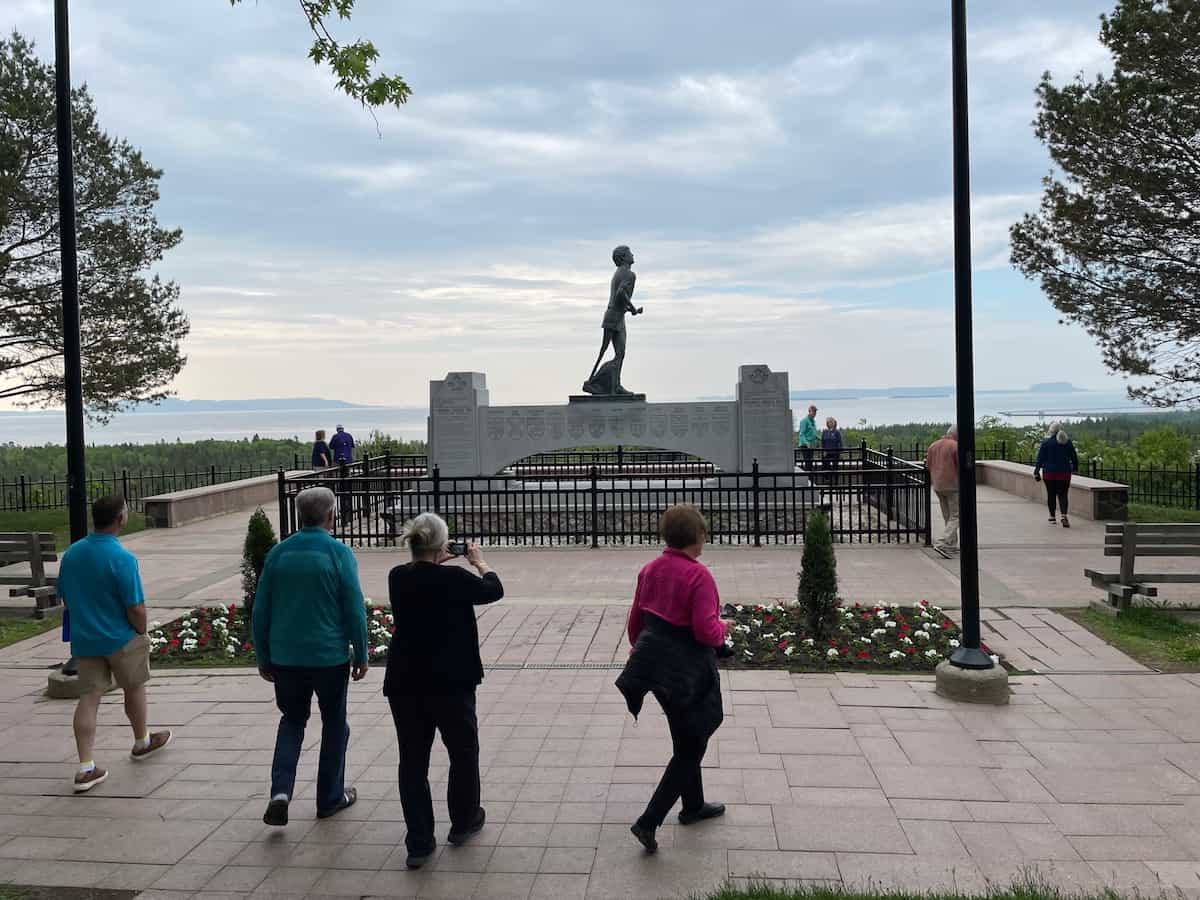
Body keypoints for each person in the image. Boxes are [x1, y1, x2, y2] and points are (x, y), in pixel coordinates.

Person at [383, 513, 504, 869]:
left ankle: (419, 843)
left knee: (413, 760)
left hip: (406, 681)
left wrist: (435, 559)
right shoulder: (455, 577)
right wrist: (479, 561)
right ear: (441, 545)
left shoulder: (398, 576)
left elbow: (423, 576)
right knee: (463, 751)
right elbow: (494, 590)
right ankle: (464, 821)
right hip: (452, 681)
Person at [252, 486, 369, 827]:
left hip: (286, 658)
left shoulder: (278, 554)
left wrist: (263, 655)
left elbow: (261, 610)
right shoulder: (338, 553)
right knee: (335, 725)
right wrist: (361, 652)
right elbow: (353, 607)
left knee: (292, 721)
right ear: (331, 515)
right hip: (329, 657)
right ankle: (330, 797)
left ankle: (280, 793)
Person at [617, 504, 728, 854]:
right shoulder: (699, 576)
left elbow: (636, 621)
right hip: (688, 670)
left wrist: (642, 652)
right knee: (694, 743)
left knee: (685, 735)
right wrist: (727, 628)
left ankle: (693, 806)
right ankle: (648, 821)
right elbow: (706, 630)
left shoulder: (650, 569)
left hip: (654, 666)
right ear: (699, 537)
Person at [58, 496, 172, 793]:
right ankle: (141, 741)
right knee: (134, 687)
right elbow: (135, 606)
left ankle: (85, 767)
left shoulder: (71, 554)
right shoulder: (121, 558)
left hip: (86, 639)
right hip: (121, 637)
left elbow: (66, 597)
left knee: (89, 698)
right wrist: (141, 630)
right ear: (120, 519)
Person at [584, 245, 644, 396]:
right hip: (614, 317)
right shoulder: (629, 274)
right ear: (624, 257)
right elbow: (621, 293)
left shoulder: (619, 273)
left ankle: (611, 385)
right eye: (630, 253)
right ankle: (596, 383)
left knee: (617, 353)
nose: (633, 255)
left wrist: (631, 309)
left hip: (615, 315)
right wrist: (633, 307)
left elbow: (620, 298)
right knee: (616, 354)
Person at [1034, 422, 1080, 528]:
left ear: (1051, 430)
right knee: (1063, 494)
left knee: (1051, 494)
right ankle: (1064, 516)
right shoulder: (1067, 442)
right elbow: (1074, 457)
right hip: (1064, 473)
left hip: (1049, 473)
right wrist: (1075, 468)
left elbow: (1040, 459)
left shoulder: (1046, 443)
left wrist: (1036, 471)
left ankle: (1052, 517)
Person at [925, 426, 960, 553]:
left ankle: (951, 545)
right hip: (953, 485)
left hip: (938, 485)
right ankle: (943, 541)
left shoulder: (933, 446)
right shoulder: (955, 446)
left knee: (948, 516)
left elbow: (928, 465)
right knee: (956, 515)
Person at [820, 416, 844, 484]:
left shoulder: (837, 432)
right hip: (827, 453)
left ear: (834, 423)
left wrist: (841, 452)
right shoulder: (824, 432)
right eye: (828, 422)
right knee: (825, 466)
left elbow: (840, 442)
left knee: (835, 468)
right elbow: (822, 442)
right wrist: (823, 450)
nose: (830, 423)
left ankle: (836, 482)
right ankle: (827, 479)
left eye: (831, 422)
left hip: (835, 453)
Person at [798, 405, 819, 471]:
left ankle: (810, 479)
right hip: (805, 446)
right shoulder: (804, 421)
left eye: (815, 412)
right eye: (813, 412)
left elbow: (813, 433)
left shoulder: (813, 421)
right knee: (808, 464)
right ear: (809, 411)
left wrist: (820, 438)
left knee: (810, 463)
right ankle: (808, 479)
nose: (814, 413)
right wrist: (806, 443)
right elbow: (802, 434)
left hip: (811, 445)